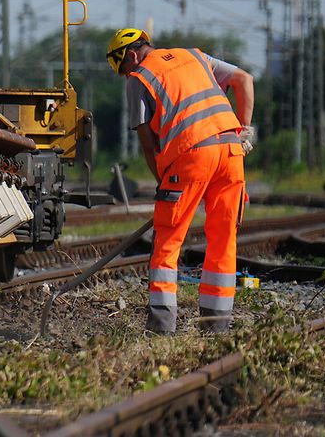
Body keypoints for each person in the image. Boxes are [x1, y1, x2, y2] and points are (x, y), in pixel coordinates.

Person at [107, 28, 257, 334]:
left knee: (167, 240)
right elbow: (244, 80)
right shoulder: (195, 56)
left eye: (123, 69)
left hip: (191, 155)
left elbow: (148, 144)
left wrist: (163, 181)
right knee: (223, 239)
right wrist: (244, 131)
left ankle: (161, 328)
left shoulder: (139, 79)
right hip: (231, 152)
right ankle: (216, 326)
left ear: (132, 56)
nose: (126, 76)